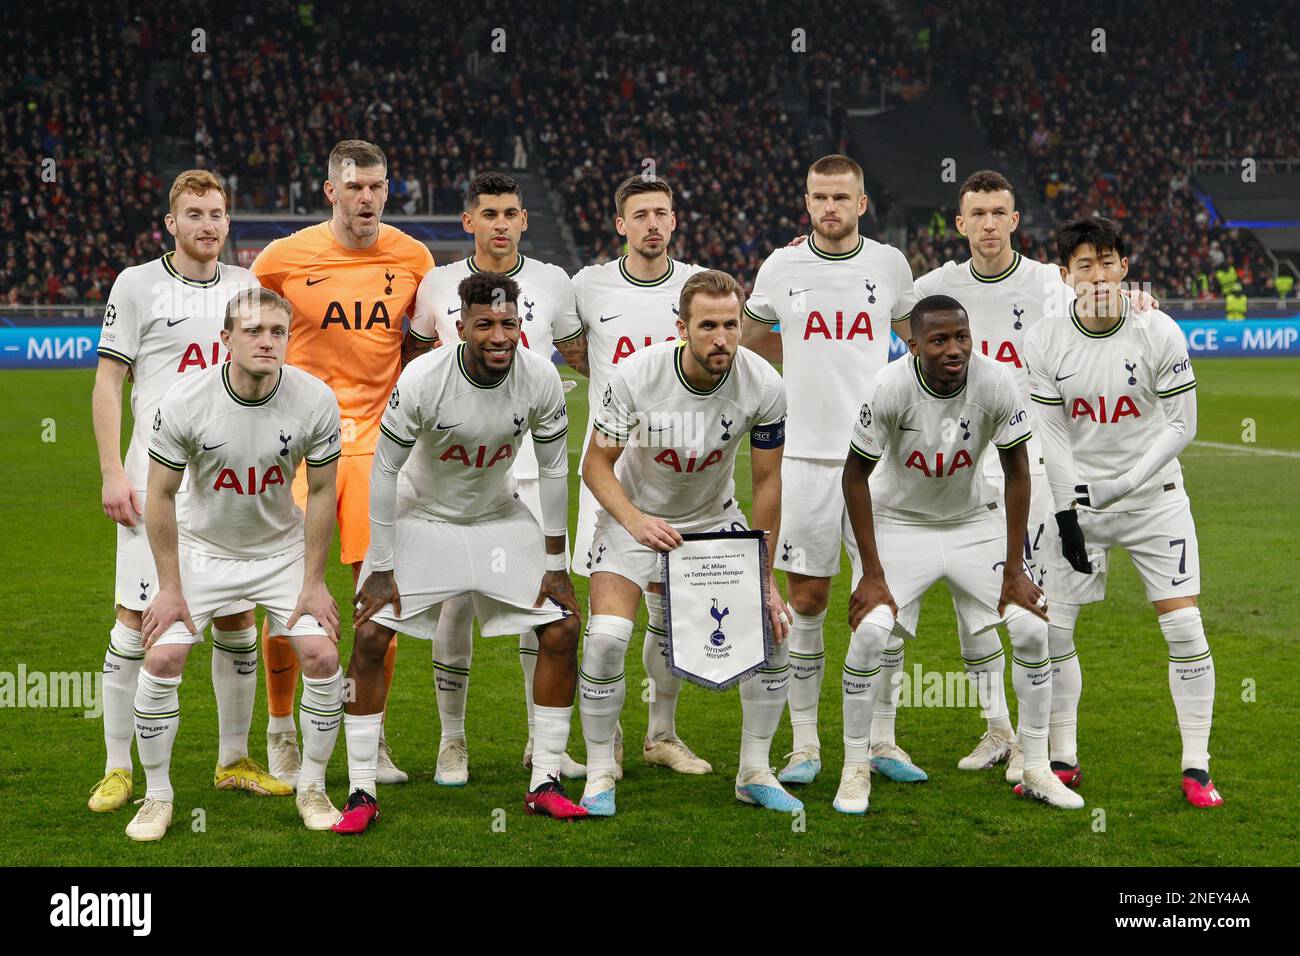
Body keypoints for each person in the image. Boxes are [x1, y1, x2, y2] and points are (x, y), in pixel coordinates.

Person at [338, 272, 586, 833]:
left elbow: (551, 469)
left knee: (564, 626)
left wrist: (556, 564)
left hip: (498, 513)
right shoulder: (423, 377)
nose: (499, 335)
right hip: (423, 512)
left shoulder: (541, 377)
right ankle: (360, 789)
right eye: (485, 324)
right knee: (372, 632)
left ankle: (544, 780)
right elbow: (383, 470)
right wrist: (379, 566)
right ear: (460, 327)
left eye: (508, 323)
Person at [839, 294, 1080, 813]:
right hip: (900, 523)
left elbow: (1018, 473)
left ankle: (1036, 765)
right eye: (940, 340)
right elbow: (854, 477)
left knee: (1034, 629)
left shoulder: (995, 381)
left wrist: (1015, 569)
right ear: (914, 344)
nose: (954, 349)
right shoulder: (889, 387)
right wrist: (872, 573)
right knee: (870, 637)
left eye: (962, 337)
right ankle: (855, 766)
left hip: (972, 521)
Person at [90, 169, 280, 814]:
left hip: (225, 482)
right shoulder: (137, 284)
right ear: (171, 223)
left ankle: (234, 759)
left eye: (218, 213)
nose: (208, 224)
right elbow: (109, 384)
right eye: (194, 213)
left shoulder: (246, 289)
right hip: (155, 481)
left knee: (235, 617)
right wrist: (115, 473)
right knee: (137, 623)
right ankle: (118, 768)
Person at [128, 288, 346, 841]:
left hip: (280, 554)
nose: (267, 341)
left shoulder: (315, 399)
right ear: (225, 340)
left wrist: (315, 582)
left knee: (321, 656)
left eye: (277, 332)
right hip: (204, 551)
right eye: (253, 331)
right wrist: (171, 588)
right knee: (163, 659)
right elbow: (159, 496)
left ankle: (313, 787)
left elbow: (322, 493)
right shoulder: (185, 400)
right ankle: (157, 797)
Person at [579, 269, 796, 816]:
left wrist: (764, 575)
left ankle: (754, 771)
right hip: (636, 518)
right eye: (707, 326)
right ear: (682, 327)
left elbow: (768, 482)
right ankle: (602, 770)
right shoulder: (635, 377)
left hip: (713, 517)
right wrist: (633, 521)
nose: (722, 338)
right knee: (605, 639)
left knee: (776, 632)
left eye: (731, 324)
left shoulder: (764, 384)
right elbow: (595, 464)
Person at [252, 139, 434, 788]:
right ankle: (280, 732)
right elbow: (251, 339)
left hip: (374, 450)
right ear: (329, 190)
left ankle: (372, 736)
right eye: (354, 186)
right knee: (283, 590)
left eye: (377, 187)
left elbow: (420, 347)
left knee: (377, 598)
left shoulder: (413, 258)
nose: (367, 198)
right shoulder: (280, 261)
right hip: (293, 445)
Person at [1024, 216, 1223, 809]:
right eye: (1085, 265)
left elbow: (1184, 425)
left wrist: (1127, 482)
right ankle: (1062, 757)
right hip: (1077, 501)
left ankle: (1196, 766)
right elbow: (1051, 434)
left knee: (1184, 625)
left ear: (1125, 267)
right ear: (1067, 276)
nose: (1099, 274)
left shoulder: (1158, 329)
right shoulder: (1045, 339)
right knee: (1053, 630)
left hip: (1153, 498)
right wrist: (1065, 513)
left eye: (1108, 261)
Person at [739, 154, 917, 786]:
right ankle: (807, 744)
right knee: (807, 600)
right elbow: (752, 340)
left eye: (842, 197)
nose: (831, 208)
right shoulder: (781, 266)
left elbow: (921, 338)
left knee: (884, 600)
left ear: (862, 204)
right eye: (820, 198)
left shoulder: (890, 265)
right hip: (806, 459)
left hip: (877, 461)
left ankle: (883, 740)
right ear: (806, 202)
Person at [411, 171, 585, 785]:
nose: (501, 223)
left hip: (536, 465)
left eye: (511, 212)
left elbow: (584, 355)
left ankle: (543, 744)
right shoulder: (435, 283)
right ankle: (451, 742)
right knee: (456, 599)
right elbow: (412, 363)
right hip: (459, 472)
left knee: (537, 602)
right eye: (489, 213)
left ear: (525, 219)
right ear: (469, 222)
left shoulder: (555, 283)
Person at [570, 174, 710, 776]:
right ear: (620, 224)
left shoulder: (698, 288)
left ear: (674, 221)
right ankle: (608, 742)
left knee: (668, 614)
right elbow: (576, 353)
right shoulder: (588, 286)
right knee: (606, 621)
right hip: (612, 477)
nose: (652, 223)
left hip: (685, 481)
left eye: (662, 212)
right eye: (640, 215)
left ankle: (661, 734)